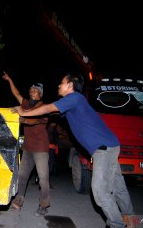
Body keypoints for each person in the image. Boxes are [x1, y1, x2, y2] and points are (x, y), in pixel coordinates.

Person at [12, 73, 134, 228]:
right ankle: (130, 217)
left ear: (70, 85)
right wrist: (27, 113)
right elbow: (50, 111)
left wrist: (23, 112)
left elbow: (49, 107)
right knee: (118, 186)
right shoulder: (73, 104)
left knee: (99, 191)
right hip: (110, 146)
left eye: (62, 83)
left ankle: (117, 224)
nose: (59, 85)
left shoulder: (74, 98)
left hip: (103, 149)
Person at [2, 71, 51, 217]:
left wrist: (21, 118)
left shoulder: (44, 108)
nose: (31, 92)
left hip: (41, 149)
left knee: (43, 178)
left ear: (40, 94)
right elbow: (16, 93)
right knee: (22, 176)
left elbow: (33, 121)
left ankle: (44, 205)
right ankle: (18, 201)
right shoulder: (27, 104)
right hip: (28, 148)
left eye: (35, 90)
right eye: (30, 90)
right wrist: (9, 79)